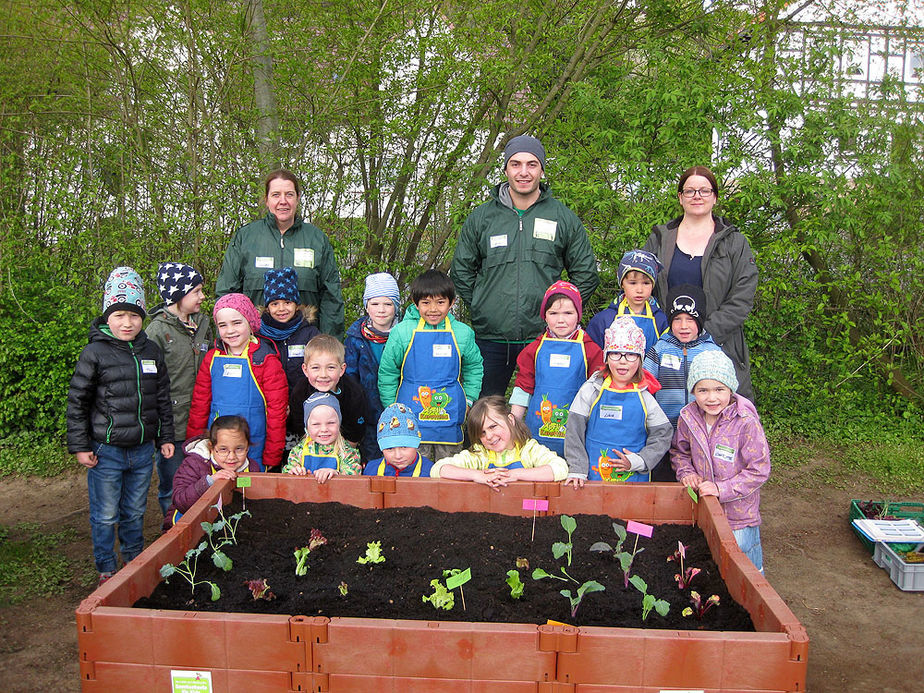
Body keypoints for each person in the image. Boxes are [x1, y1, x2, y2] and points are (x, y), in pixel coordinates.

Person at [451, 135, 599, 396]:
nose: (523, 172)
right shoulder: (482, 218)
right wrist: (483, 304)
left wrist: (563, 311)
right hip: (491, 338)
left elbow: (586, 273)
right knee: (485, 411)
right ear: (506, 169)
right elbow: (461, 270)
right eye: (516, 164)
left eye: (532, 164)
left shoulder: (562, 217)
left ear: (542, 169)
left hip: (546, 338)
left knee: (547, 410)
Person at [66, 267, 174, 585]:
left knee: (135, 510)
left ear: (142, 317)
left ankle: (132, 560)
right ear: (107, 316)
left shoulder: (151, 351)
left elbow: (162, 398)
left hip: (142, 451)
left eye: (134, 316)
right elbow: (78, 403)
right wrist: (81, 445)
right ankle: (105, 567)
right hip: (106, 450)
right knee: (105, 513)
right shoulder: (94, 353)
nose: (127, 323)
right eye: (120, 315)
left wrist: (165, 437)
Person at [644, 166, 758, 401]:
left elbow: (742, 296)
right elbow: (640, 286)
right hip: (667, 345)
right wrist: (667, 332)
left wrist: (705, 333)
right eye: (690, 191)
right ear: (680, 197)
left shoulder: (734, 243)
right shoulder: (659, 239)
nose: (697, 196)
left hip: (719, 344)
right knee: (666, 416)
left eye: (704, 190)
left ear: (715, 197)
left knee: (720, 422)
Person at [216, 168, 345, 339]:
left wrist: (329, 344)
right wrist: (229, 341)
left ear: (298, 198)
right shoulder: (245, 238)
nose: (283, 201)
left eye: (289, 194)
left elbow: (331, 297)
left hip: (307, 344)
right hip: (257, 343)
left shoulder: (317, 239)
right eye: (276, 195)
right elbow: (227, 295)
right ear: (266, 200)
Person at [671, 350, 770, 572]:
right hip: (703, 507)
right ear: (693, 391)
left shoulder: (745, 422)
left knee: (746, 568)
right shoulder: (688, 417)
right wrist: (686, 473)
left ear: (730, 389)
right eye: (702, 390)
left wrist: (721, 489)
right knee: (712, 563)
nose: (711, 398)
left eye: (719, 389)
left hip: (739, 515)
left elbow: (759, 469)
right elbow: (680, 452)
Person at [378, 269, 483, 461]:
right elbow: (387, 372)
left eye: (440, 302)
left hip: (449, 417)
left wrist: (468, 400)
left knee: (449, 471)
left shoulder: (463, 333)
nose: (433, 309)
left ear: (451, 303)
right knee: (416, 471)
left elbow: (474, 367)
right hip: (410, 418)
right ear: (416, 303)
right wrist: (392, 408)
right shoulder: (402, 333)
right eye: (426, 303)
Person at [563, 316, 672, 486]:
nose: (622, 360)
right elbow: (574, 431)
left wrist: (641, 460)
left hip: (633, 479)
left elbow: (663, 434)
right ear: (606, 358)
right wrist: (577, 467)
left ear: (640, 360)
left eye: (630, 354)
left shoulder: (646, 397)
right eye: (615, 354)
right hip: (592, 475)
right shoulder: (591, 389)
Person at [187, 293, 288, 471]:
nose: (230, 330)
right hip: (219, 446)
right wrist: (195, 443)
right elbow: (200, 404)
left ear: (250, 322)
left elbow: (276, 412)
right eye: (223, 325)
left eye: (237, 323)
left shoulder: (266, 360)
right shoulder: (211, 358)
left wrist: (273, 454)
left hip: (254, 444)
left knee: (250, 493)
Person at [146, 262, 214, 518]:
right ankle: (171, 533)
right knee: (172, 486)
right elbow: (150, 385)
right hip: (172, 425)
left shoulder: (205, 325)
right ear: (178, 295)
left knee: (202, 482)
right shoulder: (156, 332)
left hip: (202, 420)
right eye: (196, 291)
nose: (202, 297)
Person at [509, 280, 603, 456]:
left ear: (578, 315)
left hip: (578, 432)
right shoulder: (534, 349)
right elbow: (523, 387)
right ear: (544, 316)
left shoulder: (591, 349)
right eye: (553, 313)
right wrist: (512, 424)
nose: (561, 320)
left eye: (568, 313)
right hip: (538, 429)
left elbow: (600, 392)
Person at [643, 284, 721, 481]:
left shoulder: (711, 352)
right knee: (662, 479)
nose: (683, 326)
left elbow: (724, 392)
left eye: (690, 319)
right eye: (677, 319)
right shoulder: (659, 349)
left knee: (695, 478)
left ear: (700, 320)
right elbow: (644, 386)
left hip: (700, 431)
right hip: (665, 430)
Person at [430, 396, 568, 488]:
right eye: (482, 432)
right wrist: (476, 475)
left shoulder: (529, 450)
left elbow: (560, 468)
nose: (489, 436)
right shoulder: (480, 454)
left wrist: (515, 475)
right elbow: (438, 469)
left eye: (493, 426)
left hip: (526, 511)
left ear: (510, 420)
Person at [163, 416, 260, 529]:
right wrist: (209, 481)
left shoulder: (252, 468)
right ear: (211, 447)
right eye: (223, 449)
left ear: (247, 448)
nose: (232, 457)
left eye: (239, 449)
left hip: (230, 526)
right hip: (189, 527)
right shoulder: (194, 465)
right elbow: (181, 502)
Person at [345, 272, 402, 461]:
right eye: (375, 304)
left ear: (396, 307)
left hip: (398, 411)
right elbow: (350, 379)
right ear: (366, 307)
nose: (381, 310)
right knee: (372, 462)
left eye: (388, 304)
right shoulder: (355, 338)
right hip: (367, 415)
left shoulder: (404, 335)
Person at [287, 334, 370, 457]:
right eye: (315, 368)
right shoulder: (300, 392)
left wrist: (341, 456)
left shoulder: (353, 393)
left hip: (344, 448)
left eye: (331, 367)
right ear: (305, 370)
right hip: (310, 445)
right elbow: (299, 426)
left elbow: (355, 432)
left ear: (342, 369)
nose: (323, 374)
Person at [587, 249, 667, 353]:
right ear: (622, 284)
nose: (639, 290)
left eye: (646, 283)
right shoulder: (604, 319)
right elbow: (593, 357)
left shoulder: (660, 320)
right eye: (633, 283)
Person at [258, 266, 320, 388]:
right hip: (270, 402)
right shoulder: (259, 335)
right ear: (267, 308)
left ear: (296, 305)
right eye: (275, 304)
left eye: (287, 302)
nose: (281, 309)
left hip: (302, 400)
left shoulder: (310, 334)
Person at [283, 392, 361, 481]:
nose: (324, 429)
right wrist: (293, 472)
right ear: (307, 428)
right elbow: (286, 473)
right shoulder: (298, 451)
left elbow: (354, 476)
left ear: (339, 424)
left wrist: (336, 474)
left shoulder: (347, 452)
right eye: (316, 424)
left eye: (331, 423)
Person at [363, 403, 434, 477]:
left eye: (404, 447)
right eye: (389, 449)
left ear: (416, 444)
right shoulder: (371, 470)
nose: (398, 456)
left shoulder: (430, 472)